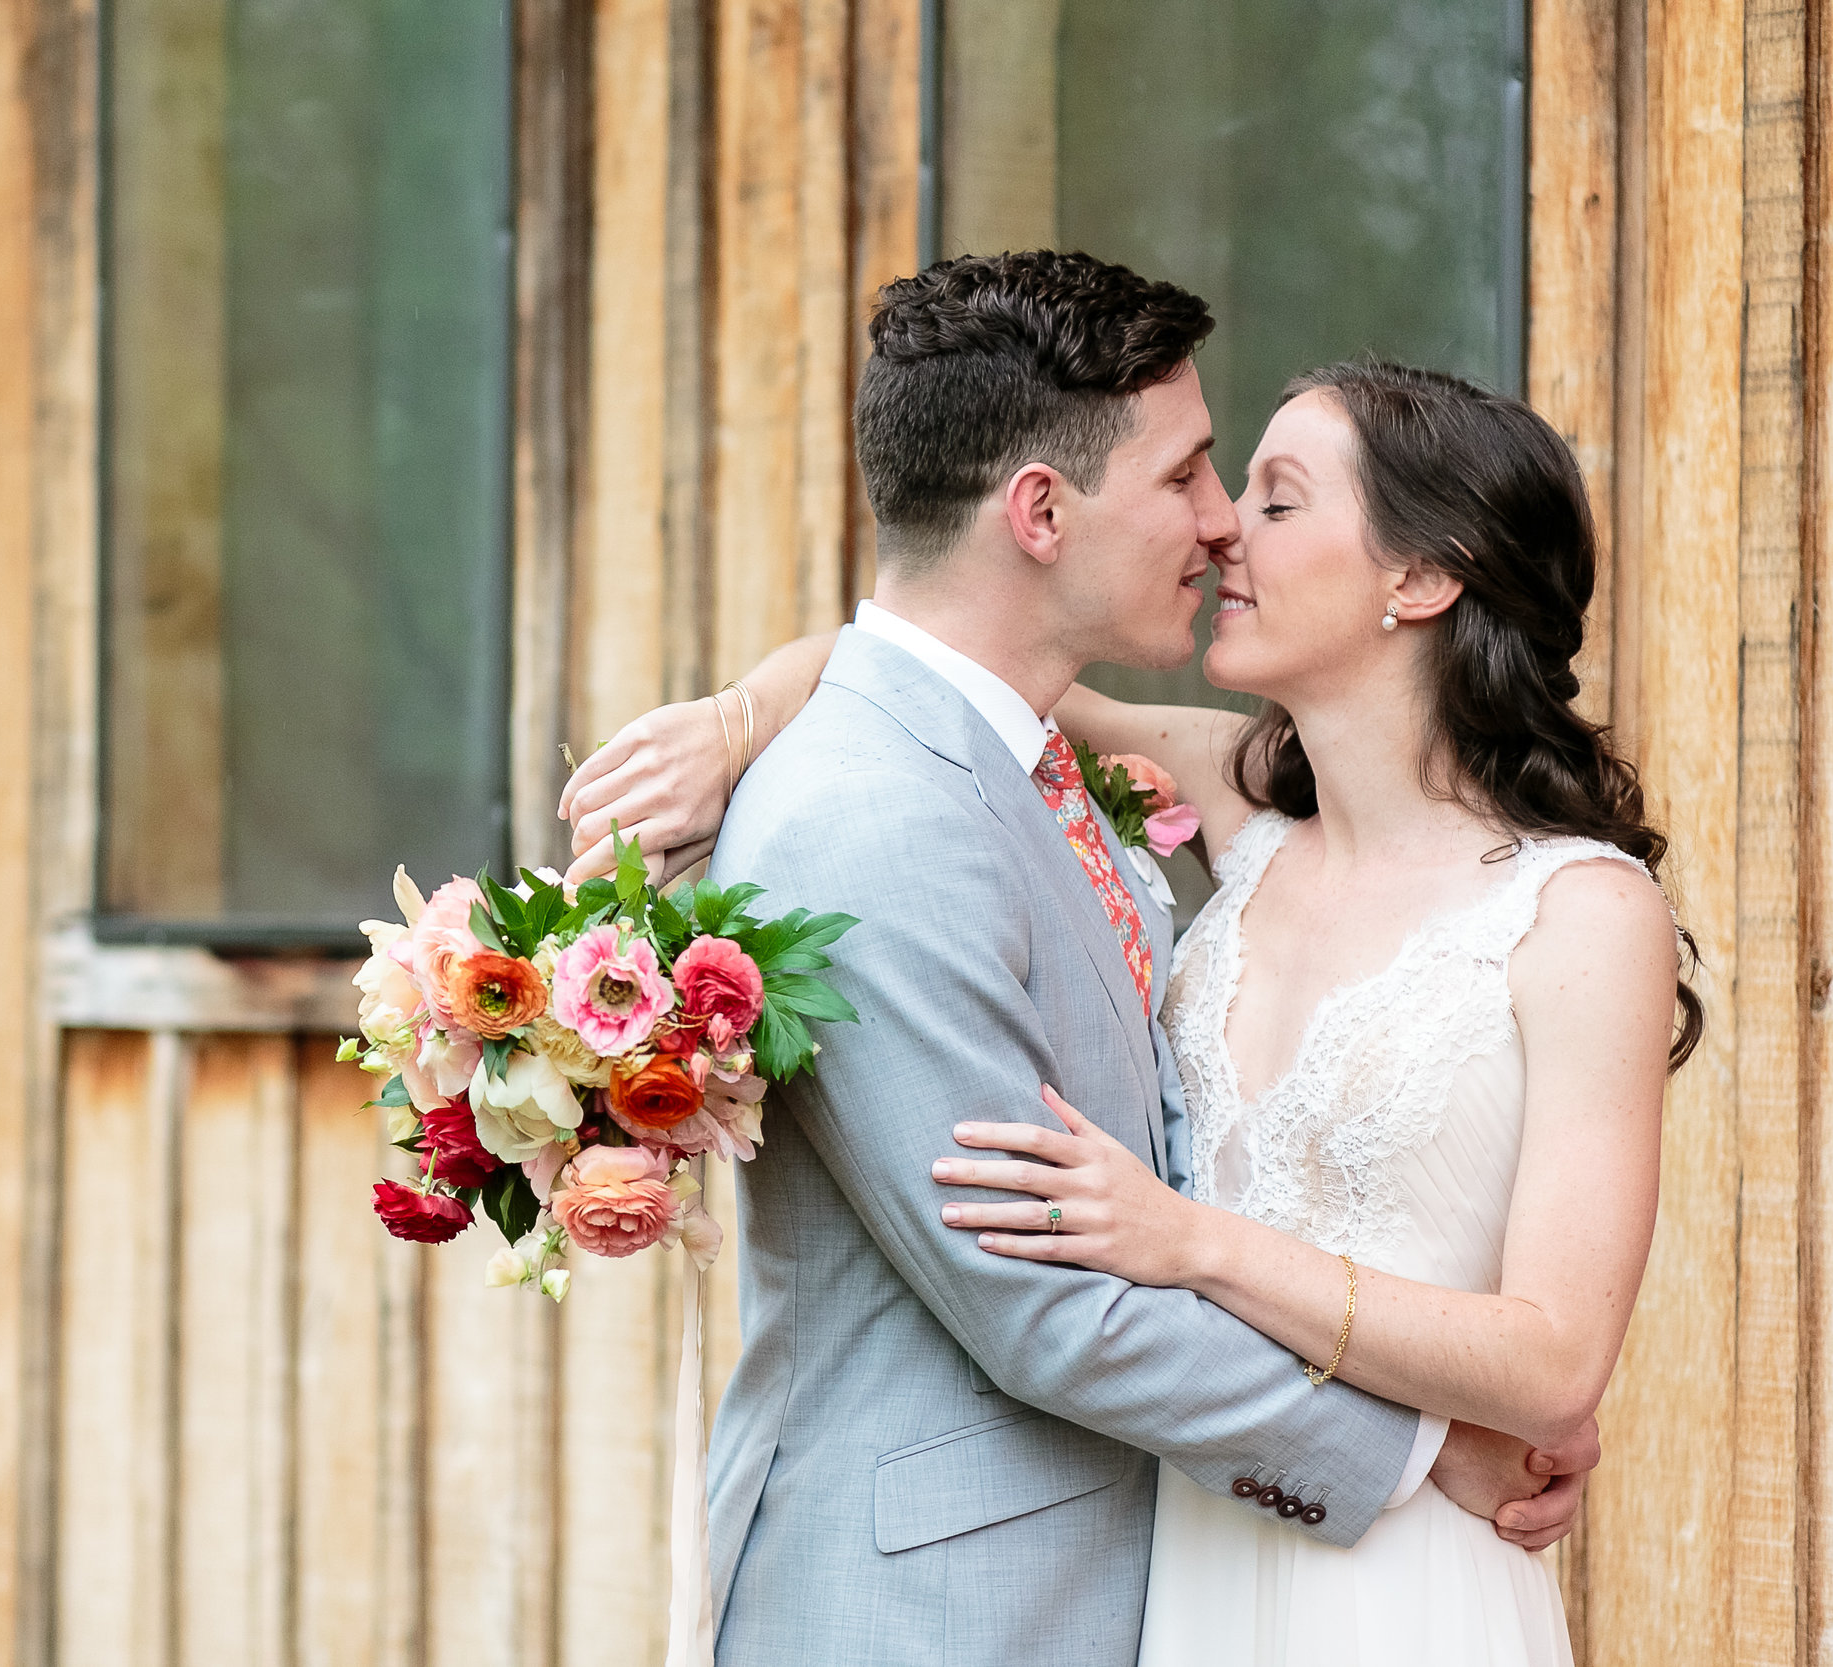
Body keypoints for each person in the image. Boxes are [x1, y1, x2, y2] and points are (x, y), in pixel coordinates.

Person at [563, 251, 1650, 1666]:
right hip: (1198, 1540)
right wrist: (736, 717)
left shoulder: (1564, 910)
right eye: (1206, 479)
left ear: (1426, 576)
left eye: (1267, 494)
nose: (1220, 530)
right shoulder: (1223, 799)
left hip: (1333, 1571)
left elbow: (959, 664)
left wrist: (1203, 1246)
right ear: (1040, 509)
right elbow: (913, 654)